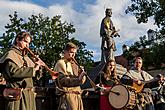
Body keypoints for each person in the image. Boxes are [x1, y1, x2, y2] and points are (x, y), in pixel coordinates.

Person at [0, 31, 45, 110]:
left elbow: (35, 77)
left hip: (29, 96)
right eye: (25, 41)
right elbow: (14, 73)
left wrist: (38, 66)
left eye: (29, 43)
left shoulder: (26, 57)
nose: (27, 45)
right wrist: (33, 69)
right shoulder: (10, 54)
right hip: (17, 96)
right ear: (17, 40)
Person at [54, 42, 85, 110]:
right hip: (68, 97)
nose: (73, 55)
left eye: (74, 53)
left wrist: (82, 75)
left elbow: (81, 82)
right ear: (65, 52)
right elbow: (62, 81)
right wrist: (78, 79)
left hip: (77, 96)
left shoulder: (75, 64)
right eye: (71, 52)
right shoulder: (61, 63)